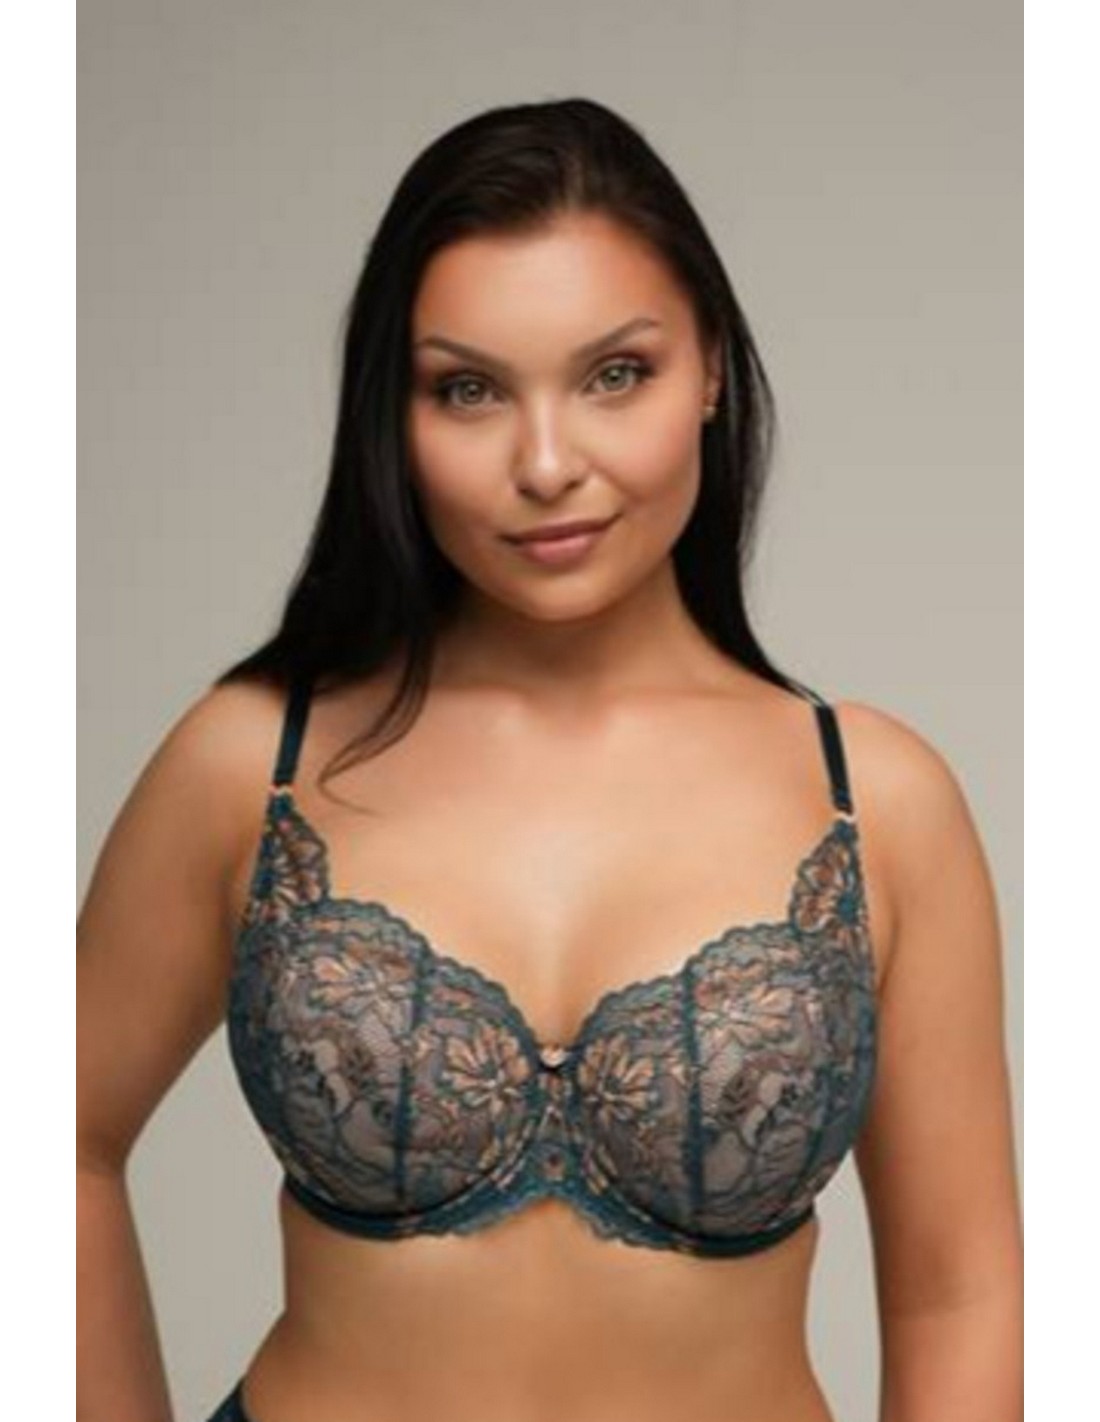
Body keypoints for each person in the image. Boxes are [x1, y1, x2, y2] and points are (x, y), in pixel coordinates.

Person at [76, 98, 1023, 1422]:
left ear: (711, 371)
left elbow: (959, 1291)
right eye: (468, 389)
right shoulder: (255, 762)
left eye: (614, 374)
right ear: (393, 415)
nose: (544, 462)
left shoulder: (877, 802)